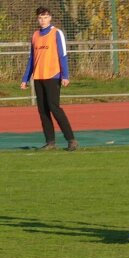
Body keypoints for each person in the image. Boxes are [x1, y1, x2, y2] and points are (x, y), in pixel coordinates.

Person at [20, 6, 78, 151]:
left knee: (54, 107)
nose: (43, 20)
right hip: (38, 77)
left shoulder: (56, 33)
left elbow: (62, 55)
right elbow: (32, 58)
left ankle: (71, 140)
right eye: (40, 17)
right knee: (43, 110)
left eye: (45, 17)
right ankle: (50, 142)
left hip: (53, 76)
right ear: (37, 19)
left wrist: (65, 75)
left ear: (50, 18)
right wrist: (25, 78)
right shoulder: (35, 35)